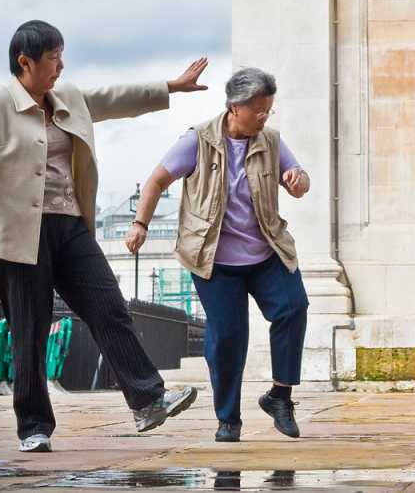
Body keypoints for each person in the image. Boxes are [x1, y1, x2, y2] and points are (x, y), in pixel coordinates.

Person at [0, 20, 206, 453]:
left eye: (62, 55)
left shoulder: (70, 98)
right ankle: (33, 426)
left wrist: (171, 87)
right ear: (25, 62)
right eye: (53, 58)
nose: (60, 65)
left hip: (71, 227)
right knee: (30, 330)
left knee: (109, 308)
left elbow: (117, 98)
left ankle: (147, 400)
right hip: (19, 235)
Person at [126, 67, 310, 444]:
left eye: (268, 110)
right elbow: (157, 180)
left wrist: (297, 180)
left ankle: (280, 396)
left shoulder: (271, 140)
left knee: (294, 306)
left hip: (265, 251)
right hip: (213, 258)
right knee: (229, 336)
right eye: (258, 109)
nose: (264, 117)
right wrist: (140, 224)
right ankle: (229, 419)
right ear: (234, 107)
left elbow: (299, 179)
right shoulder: (198, 140)